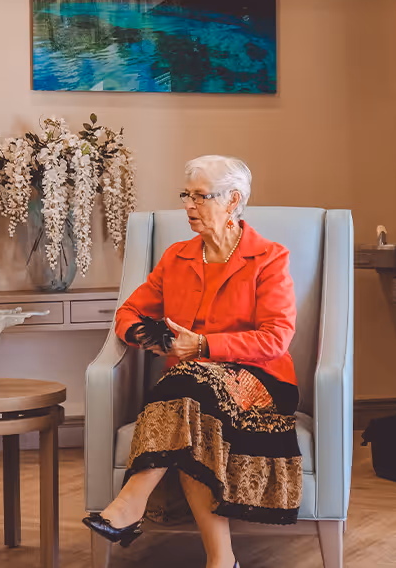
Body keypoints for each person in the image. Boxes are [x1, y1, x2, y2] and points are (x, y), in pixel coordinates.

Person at [82, 156, 302, 568]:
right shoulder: (176, 257)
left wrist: (203, 345)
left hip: (262, 382)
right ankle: (221, 560)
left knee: (189, 391)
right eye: (186, 195)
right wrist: (159, 341)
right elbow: (128, 315)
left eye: (201, 196)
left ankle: (131, 502)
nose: (188, 206)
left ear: (234, 200)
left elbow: (276, 339)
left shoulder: (270, 258)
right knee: (191, 407)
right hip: (190, 387)